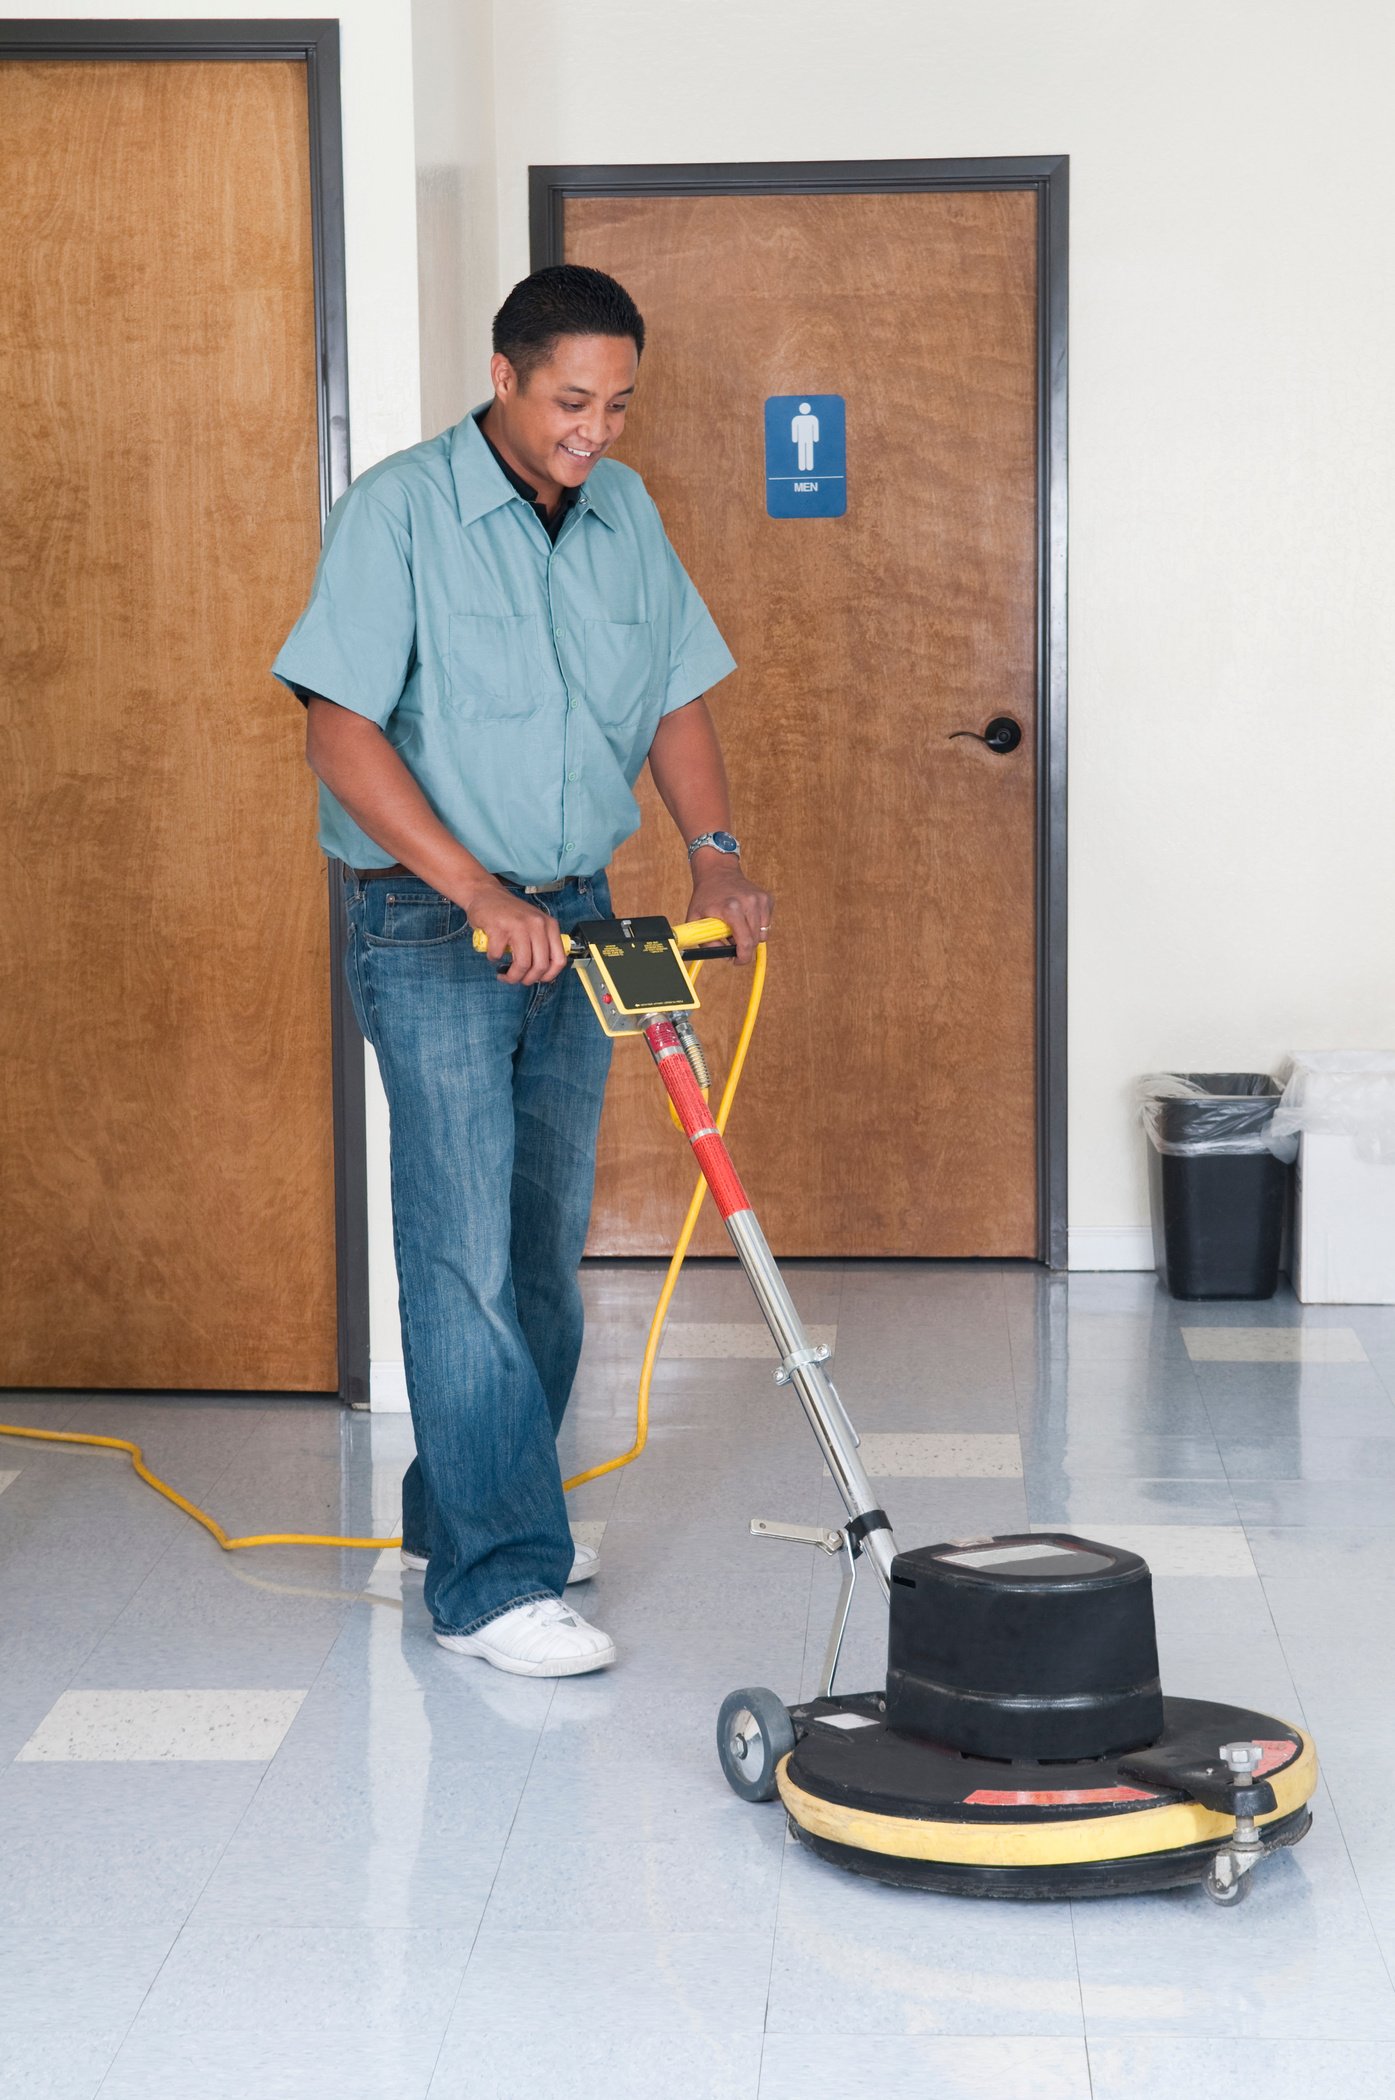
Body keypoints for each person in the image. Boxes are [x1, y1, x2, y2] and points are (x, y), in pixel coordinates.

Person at [273, 265, 771, 1678]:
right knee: (462, 1248)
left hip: (578, 915)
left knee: (544, 1243)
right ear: (504, 376)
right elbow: (338, 729)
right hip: (435, 925)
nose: (594, 431)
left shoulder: (626, 515)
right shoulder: (401, 514)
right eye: (570, 401)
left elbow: (674, 691)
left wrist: (715, 856)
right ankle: (494, 1583)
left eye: (616, 404)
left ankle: (486, 1509)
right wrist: (476, 888)